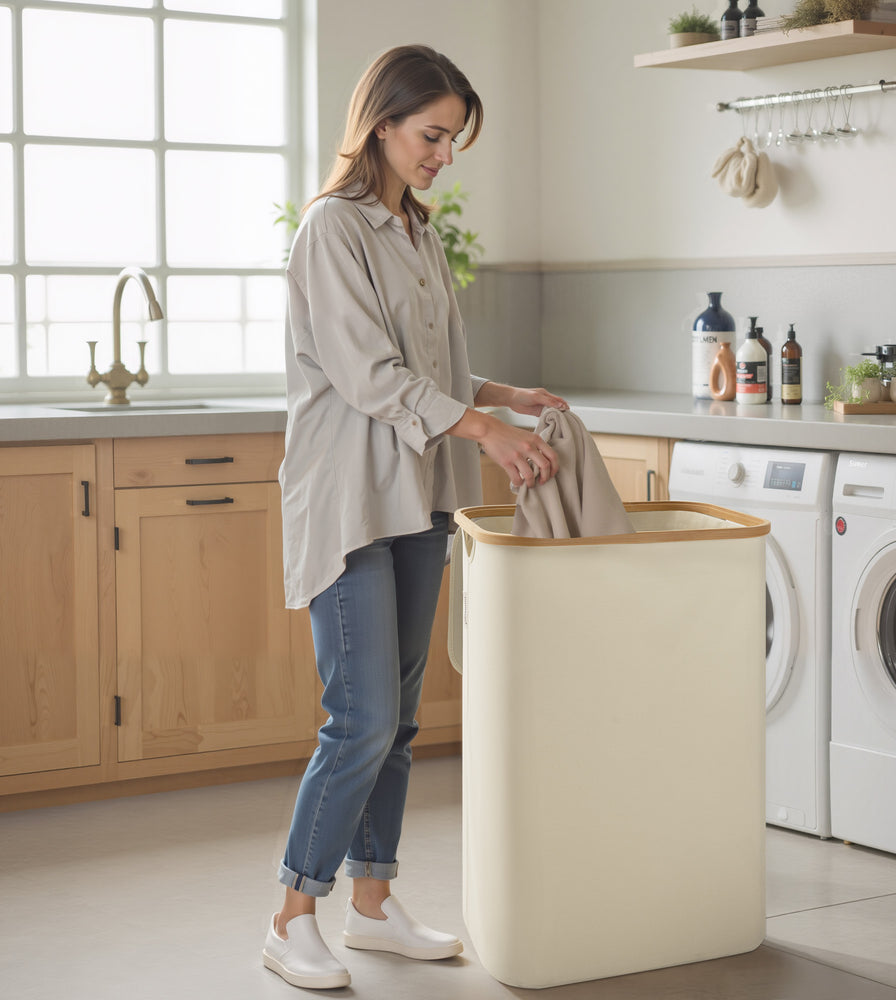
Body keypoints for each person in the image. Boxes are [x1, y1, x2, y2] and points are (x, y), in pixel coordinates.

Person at [263, 44, 569, 991]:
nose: (444, 155)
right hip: (351, 500)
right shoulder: (332, 228)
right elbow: (366, 374)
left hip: (416, 496)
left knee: (397, 721)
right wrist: (482, 427)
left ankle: (372, 906)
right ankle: (290, 916)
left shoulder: (415, 229)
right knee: (357, 721)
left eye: (453, 140)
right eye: (432, 135)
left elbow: (428, 370)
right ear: (383, 123)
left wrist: (501, 393)